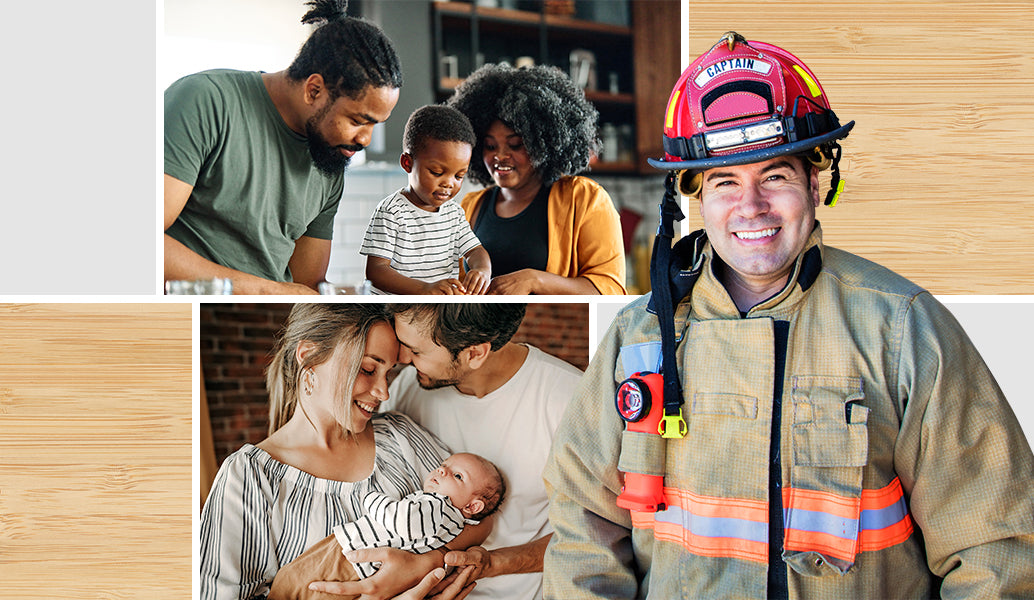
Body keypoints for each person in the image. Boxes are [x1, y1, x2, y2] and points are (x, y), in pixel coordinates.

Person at [543, 32, 1034, 599]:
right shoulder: (640, 333)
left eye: (774, 175)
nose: (751, 207)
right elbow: (583, 527)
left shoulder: (901, 327)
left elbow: (994, 548)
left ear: (816, 181)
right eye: (725, 181)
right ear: (696, 199)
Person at [200, 304, 488, 600]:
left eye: (388, 373)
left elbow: (480, 512)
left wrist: (423, 563)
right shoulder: (249, 477)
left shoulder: (401, 436)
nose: (384, 392)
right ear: (309, 356)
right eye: (367, 369)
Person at [343, 303, 582, 600]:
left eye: (416, 351)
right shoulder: (407, 389)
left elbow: (590, 533)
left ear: (475, 354)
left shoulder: (570, 400)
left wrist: (492, 563)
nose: (402, 358)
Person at [164, 0, 401, 295]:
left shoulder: (329, 158)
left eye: (375, 124)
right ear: (314, 90)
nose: (365, 139)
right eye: (357, 120)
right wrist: (266, 291)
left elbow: (306, 286)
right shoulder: (205, 101)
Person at [447, 64, 626, 295]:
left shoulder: (584, 199)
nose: (499, 156)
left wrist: (535, 280)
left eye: (515, 145)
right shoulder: (470, 206)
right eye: (490, 146)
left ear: (542, 142)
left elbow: (611, 290)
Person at [361, 105, 491, 295]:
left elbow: (476, 251)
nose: (448, 183)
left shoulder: (454, 213)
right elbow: (376, 272)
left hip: (433, 310)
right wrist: (424, 289)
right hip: (393, 310)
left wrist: (482, 271)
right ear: (408, 163)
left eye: (459, 175)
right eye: (437, 172)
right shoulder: (392, 211)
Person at [334, 452, 506, 578]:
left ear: (472, 506)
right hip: (360, 562)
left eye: (458, 475)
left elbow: (401, 520)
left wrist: (370, 498)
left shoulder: (440, 506)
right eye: (444, 465)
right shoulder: (452, 524)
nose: (441, 471)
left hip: (352, 554)